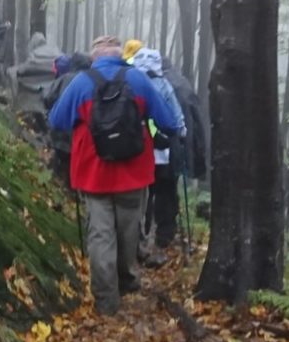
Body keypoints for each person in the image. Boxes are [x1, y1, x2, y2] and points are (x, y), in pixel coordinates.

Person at [48, 34, 180, 316]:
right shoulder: (139, 80)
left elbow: (56, 120)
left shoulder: (81, 82)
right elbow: (168, 121)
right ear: (120, 56)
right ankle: (127, 280)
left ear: (94, 57)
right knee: (128, 231)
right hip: (134, 172)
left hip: (93, 173)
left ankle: (106, 299)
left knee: (100, 234)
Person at [131, 47, 186, 264]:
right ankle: (163, 239)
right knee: (165, 194)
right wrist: (181, 134)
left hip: (135, 151)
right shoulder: (163, 85)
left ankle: (139, 239)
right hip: (162, 153)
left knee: (141, 197)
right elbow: (176, 119)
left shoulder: (129, 83)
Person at [43, 52, 92, 186]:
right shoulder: (92, 80)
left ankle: (59, 186)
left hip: (61, 132)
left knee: (61, 162)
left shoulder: (64, 79)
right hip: (82, 134)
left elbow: (47, 97)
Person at [161, 56, 208, 182]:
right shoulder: (183, 83)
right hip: (184, 141)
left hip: (166, 143)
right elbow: (197, 118)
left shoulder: (161, 83)